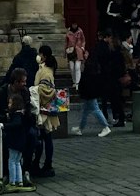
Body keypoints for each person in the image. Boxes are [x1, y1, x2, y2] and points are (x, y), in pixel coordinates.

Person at [31, 44, 59, 180]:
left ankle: (46, 164)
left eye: (40, 53)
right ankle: (40, 164)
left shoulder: (46, 71)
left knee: (44, 138)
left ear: (44, 56)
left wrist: (33, 90)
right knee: (43, 138)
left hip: (44, 110)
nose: (38, 56)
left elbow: (46, 90)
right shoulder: (44, 69)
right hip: (44, 109)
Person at [70, 51, 111, 138]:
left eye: (86, 53)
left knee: (95, 109)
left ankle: (105, 126)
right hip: (90, 91)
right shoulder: (91, 64)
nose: (84, 54)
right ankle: (80, 128)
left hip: (89, 91)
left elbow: (86, 79)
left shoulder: (89, 65)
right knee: (85, 110)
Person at [65, 23, 86, 89]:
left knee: (77, 67)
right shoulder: (68, 32)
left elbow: (83, 40)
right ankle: (74, 81)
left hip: (78, 50)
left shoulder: (80, 31)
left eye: (76, 24)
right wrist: (65, 52)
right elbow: (66, 42)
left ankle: (77, 82)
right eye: (73, 24)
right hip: (70, 50)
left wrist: (82, 47)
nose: (74, 26)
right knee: (71, 67)